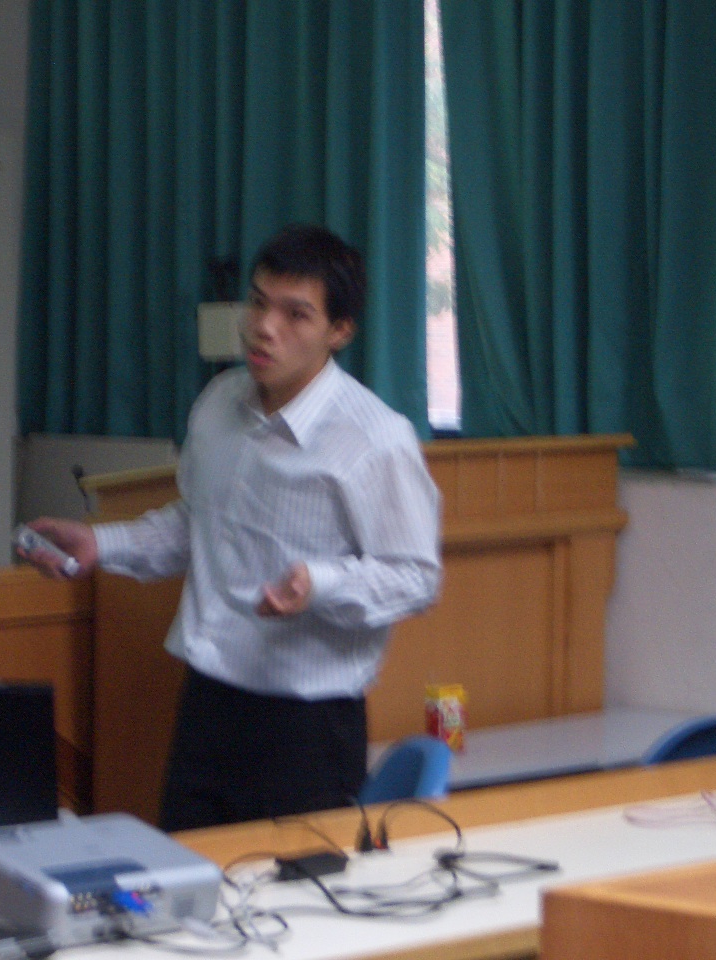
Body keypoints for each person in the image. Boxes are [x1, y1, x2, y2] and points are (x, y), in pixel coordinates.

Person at [22, 223, 441, 831]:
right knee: (189, 880)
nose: (264, 327)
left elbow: (415, 577)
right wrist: (100, 543)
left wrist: (320, 585)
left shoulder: (375, 439)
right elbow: (197, 525)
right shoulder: (219, 403)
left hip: (308, 727)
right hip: (208, 705)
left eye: (296, 314)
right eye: (258, 302)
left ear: (340, 331)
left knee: (297, 890)